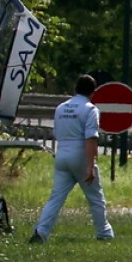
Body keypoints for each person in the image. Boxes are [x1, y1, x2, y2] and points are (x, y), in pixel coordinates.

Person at [30, 74, 114, 243]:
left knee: (56, 197)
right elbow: (91, 138)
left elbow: (56, 132)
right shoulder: (90, 109)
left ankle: (41, 231)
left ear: (75, 89)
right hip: (80, 155)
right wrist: (90, 166)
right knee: (95, 198)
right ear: (93, 92)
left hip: (62, 154)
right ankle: (104, 232)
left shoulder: (61, 108)